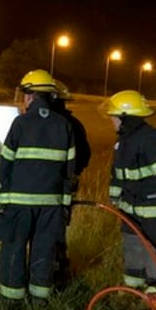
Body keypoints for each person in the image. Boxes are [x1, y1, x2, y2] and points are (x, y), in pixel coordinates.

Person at [0, 69, 76, 305]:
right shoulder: (64, 126)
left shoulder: (20, 123)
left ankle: (12, 300)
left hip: (19, 204)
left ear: (30, 96)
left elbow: (5, 163)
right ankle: (40, 300)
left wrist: (4, 199)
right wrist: (65, 205)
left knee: (14, 248)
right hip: (51, 204)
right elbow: (68, 170)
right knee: (44, 249)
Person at [106, 90, 156, 290]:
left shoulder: (151, 140)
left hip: (155, 213)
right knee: (133, 251)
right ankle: (133, 291)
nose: (111, 119)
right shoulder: (124, 142)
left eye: (114, 115)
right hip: (131, 211)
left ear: (125, 117)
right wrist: (115, 199)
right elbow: (118, 175)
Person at [51, 80, 91, 284]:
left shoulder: (44, 123)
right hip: (67, 187)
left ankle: (51, 271)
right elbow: (85, 156)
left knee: (45, 228)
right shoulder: (74, 125)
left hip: (45, 187)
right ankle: (60, 267)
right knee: (59, 227)